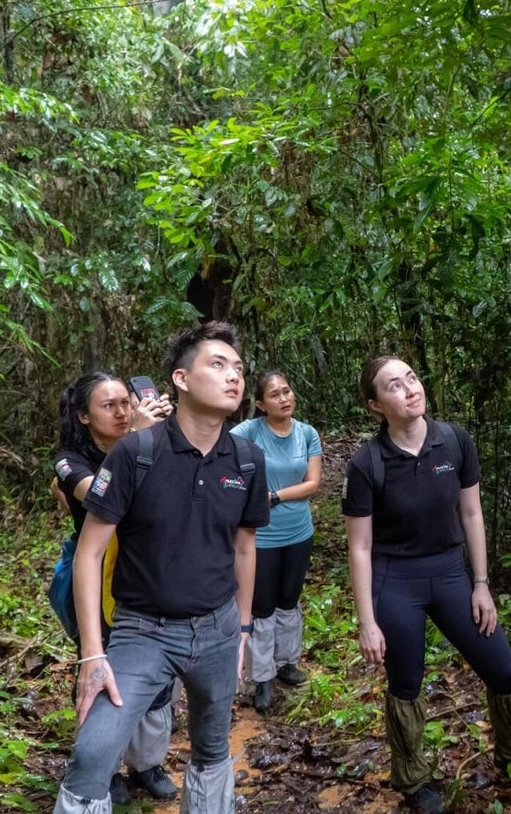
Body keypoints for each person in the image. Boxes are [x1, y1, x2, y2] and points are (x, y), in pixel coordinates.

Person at [52, 321, 270, 814]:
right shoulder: (136, 452)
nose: (233, 376)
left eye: (237, 367)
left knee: (213, 748)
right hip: (141, 631)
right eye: (217, 364)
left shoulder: (248, 460)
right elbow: (89, 554)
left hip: (217, 629)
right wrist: (92, 655)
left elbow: (244, 548)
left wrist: (241, 629)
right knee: (91, 754)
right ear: (181, 379)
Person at [342, 356, 511, 814]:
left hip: (450, 573)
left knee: (502, 669)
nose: (409, 388)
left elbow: (471, 514)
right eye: (393, 385)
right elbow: (360, 547)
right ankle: (414, 779)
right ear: (374, 404)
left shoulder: (454, 441)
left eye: (411, 377)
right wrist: (367, 621)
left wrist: (481, 583)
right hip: (396, 579)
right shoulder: (367, 463)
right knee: (405, 684)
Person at [53, 372, 177, 804]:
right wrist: (136, 443)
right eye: (109, 406)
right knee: (102, 669)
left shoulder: (150, 440)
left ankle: (147, 762)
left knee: (159, 677)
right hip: (99, 581)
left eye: (127, 402)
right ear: (85, 416)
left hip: (153, 573)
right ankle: (102, 768)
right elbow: (100, 496)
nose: (123, 412)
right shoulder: (70, 462)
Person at [231, 371, 322, 711]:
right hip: (260, 536)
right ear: (259, 404)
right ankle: (262, 676)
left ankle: (286, 662)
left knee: (289, 599)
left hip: (299, 531)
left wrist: (273, 496)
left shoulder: (307, 434)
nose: (284, 398)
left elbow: (313, 483)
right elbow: (221, 451)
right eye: (274, 395)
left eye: (287, 391)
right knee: (262, 605)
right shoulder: (249, 432)